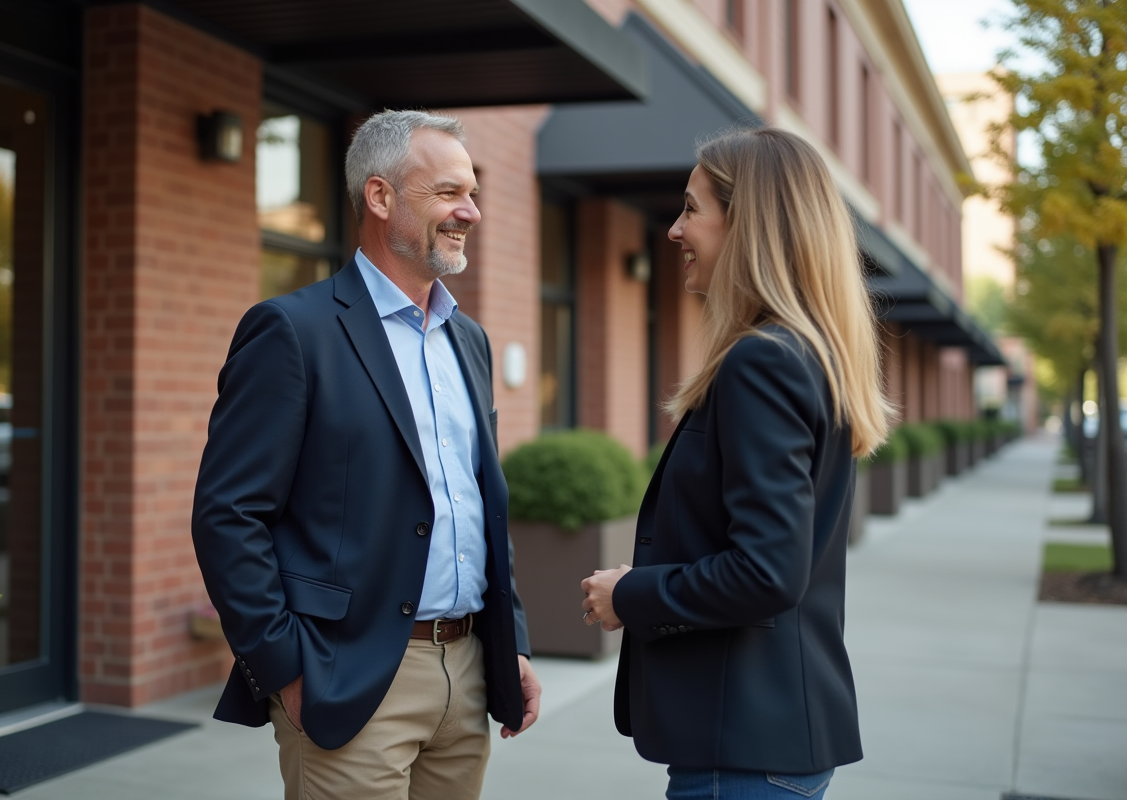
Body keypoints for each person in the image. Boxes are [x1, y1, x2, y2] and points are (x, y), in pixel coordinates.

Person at [192, 109, 540, 800]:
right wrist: (286, 670)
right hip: (349, 681)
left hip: (467, 673)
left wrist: (513, 643)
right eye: (449, 192)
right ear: (380, 197)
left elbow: (475, 505)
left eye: (473, 193)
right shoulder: (292, 332)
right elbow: (228, 515)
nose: (470, 211)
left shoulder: (467, 340)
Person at [580, 127, 893, 800]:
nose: (673, 230)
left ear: (747, 224)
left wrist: (630, 595)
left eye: (691, 208)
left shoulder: (762, 362)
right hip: (767, 739)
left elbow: (766, 571)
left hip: (743, 752)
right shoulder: (806, 355)